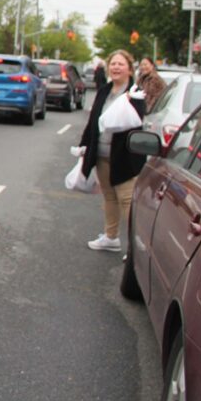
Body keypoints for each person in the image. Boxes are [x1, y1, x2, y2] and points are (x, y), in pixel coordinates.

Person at [78, 49, 146, 252]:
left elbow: (136, 122)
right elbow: (93, 121)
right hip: (102, 154)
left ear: (129, 69)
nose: (116, 67)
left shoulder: (135, 93)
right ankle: (110, 236)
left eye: (121, 64)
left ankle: (136, 247)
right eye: (113, 64)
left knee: (126, 200)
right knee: (109, 197)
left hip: (124, 156)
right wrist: (84, 145)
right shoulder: (104, 91)